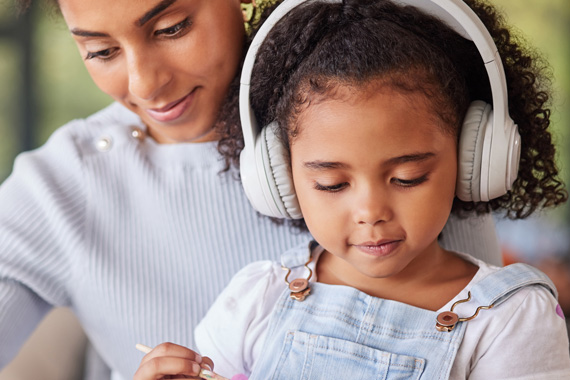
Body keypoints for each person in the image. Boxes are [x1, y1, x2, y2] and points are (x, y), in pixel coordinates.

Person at [2, 0, 504, 379]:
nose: (145, 83)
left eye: (172, 28)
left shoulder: (399, 120)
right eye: (101, 51)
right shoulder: (60, 185)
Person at [133, 0, 570, 379]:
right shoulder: (257, 299)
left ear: (472, 159)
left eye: (407, 178)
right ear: (281, 179)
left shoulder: (509, 319)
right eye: (332, 184)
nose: (370, 211)